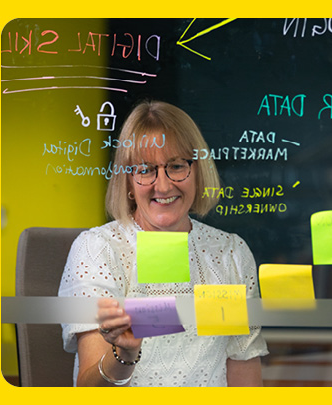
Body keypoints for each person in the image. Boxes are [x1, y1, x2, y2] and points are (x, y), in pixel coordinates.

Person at [58, 100, 268, 387]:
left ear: (197, 171)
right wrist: (126, 353)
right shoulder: (98, 249)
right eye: (145, 170)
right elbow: (88, 391)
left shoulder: (230, 252)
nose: (164, 185)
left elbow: (244, 374)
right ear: (128, 180)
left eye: (177, 166)